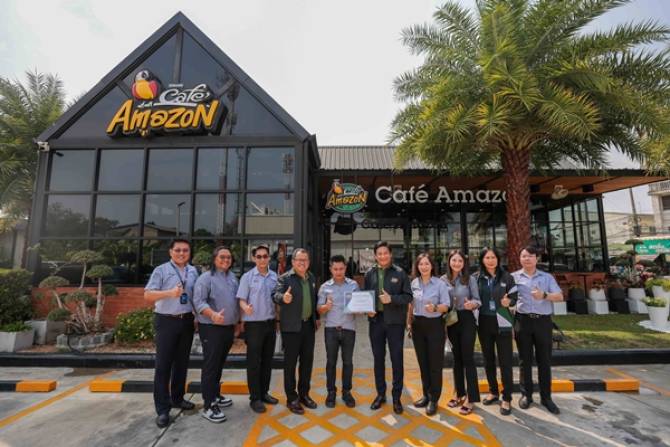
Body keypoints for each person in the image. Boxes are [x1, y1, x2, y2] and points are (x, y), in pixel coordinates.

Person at [144, 238, 199, 428]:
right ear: (170, 252)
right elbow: (148, 295)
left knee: (181, 363)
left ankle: (177, 398)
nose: (182, 253)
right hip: (166, 320)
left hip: (186, 321)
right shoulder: (161, 270)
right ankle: (162, 409)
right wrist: (169, 293)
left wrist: (197, 316)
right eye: (178, 250)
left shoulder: (193, 271)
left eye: (185, 250)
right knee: (163, 365)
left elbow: (194, 296)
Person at [512, 245, 564, 415]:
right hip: (523, 321)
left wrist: (544, 295)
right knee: (524, 360)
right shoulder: (514, 278)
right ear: (520, 259)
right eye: (524, 256)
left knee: (544, 360)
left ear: (536, 258)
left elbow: (560, 296)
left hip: (543, 322)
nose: (527, 258)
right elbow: (508, 300)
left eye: (530, 256)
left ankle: (546, 397)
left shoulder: (547, 278)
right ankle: (526, 395)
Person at [364, 241, 412, 415]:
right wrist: (367, 310)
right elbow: (366, 296)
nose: (382, 256)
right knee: (378, 359)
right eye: (379, 253)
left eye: (385, 253)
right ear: (375, 256)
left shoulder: (400, 273)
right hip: (376, 321)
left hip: (395, 323)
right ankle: (380, 394)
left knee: (396, 359)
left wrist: (392, 299)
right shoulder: (370, 273)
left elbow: (408, 297)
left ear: (390, 254)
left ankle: (396, 397)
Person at [193, 246, 239, 423]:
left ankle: (216, 394)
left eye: (228, 257)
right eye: (222, 257)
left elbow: (235, 302)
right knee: (211, 365)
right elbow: (199, 302)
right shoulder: (205, 279)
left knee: (219, 363)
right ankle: (208, 404)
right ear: (214, 259)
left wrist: (237, 323)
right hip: (211, 328)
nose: (226, 260)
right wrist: (212, 315)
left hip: (227, 328)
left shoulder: (232, 277)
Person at [273, 248, 319, 415]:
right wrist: (283, 298)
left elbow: (313, 299)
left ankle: (304, 394)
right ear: (293, 262)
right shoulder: (285, 278)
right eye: (299, 260)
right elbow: (275, 294)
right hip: (291, 328)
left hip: (308, 327)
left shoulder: (311, 277)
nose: (302, 263)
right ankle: (292, 398)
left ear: (309, 262)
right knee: (290, 364)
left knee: (307, 363)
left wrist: (316, 317)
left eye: (305, 260)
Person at [473, 247, 517, 416]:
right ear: (482, 260)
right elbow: (473, 297)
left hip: (503, 321)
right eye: (487, 258)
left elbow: (514, 297)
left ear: (498, 259)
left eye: (493, 257)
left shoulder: (507, 277)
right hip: (484, 322)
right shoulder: (476, 278)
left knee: (505, 360)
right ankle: (493, 391)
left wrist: (509, 302)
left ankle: (507, 397)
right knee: (488, 359)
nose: (490, 260)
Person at [237, 244, 279, 414]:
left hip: (270, 323)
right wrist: (245, 308)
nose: (262, 259)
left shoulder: (274, 277)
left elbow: (277, 300)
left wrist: (278, 321)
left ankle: (264, 393)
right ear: (254, 258)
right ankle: (255, 398)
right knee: (254, 362)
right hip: (254, 325)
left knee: (267, 361)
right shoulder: (247, 277)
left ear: (269, 258)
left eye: (265, 256)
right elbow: (241, 299)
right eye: (259, 256)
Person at [407, 253, 450, 416]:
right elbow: (411, 305)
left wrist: (435, 308)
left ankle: (434, 399)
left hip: (435, 325)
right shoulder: (414, 283)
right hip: (418, 325)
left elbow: (446, 306)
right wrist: (409, 323)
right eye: (421, 264)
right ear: (417, 267)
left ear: (432, 266)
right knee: (423, 363)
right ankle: (426, 395)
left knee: (435, 365)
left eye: (426, 264)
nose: (424, 267)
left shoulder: (440, 284)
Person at [441, 249, 481, 416]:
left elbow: (478, 300)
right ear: (449, 261)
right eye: (454, 260)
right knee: (456, 359)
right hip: (451, 320)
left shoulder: (469, 279)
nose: (456, 263)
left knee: (467, 358)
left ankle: (471, 398)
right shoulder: (443, 280)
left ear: (464, 263)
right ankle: (459, 393)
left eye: (460, 261)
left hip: (466, 319)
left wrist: (472, 304)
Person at [317, 255, 359, 408]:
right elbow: (319, 309)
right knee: (331, 362)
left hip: (349, 329)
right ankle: (331, 392)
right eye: (335, 269)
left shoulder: (354, 285)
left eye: (341, 268)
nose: (338, 272)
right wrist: (325, 307)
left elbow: (360, 306)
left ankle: (346, 392)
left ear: (345, 268)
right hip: (331, 330)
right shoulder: (324, 287)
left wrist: (359, 308)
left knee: (348, 362)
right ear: (331, 269)